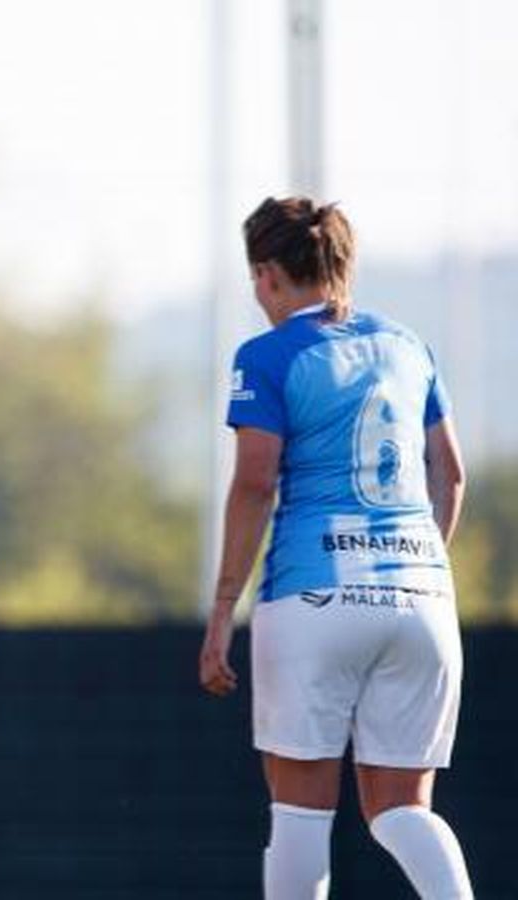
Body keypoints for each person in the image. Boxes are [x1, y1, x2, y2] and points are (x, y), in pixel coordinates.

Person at [199, 197, 472, 899]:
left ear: (267, 275)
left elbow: (255, 482)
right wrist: (414, 569)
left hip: (313, 594)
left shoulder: (267, 355)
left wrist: (223, 608)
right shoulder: (409, 346)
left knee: (300, 812)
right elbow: (450, 474)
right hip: (422, 597)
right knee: (403, 810)